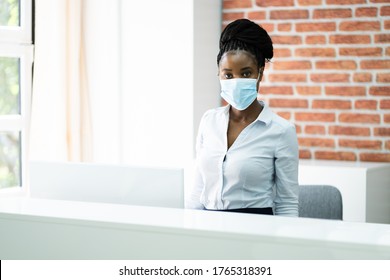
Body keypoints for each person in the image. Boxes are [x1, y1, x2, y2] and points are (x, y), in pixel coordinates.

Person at [186, 19, 299, 217]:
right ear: (219, 74)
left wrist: (283, 246)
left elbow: (287, 204)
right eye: (228, 75)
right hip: (207, 227)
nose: (236, 81)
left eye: (246, 73)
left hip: (255, 231)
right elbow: (198, 190)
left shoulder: (281, 131)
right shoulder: (208, 121)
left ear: (260, 73)